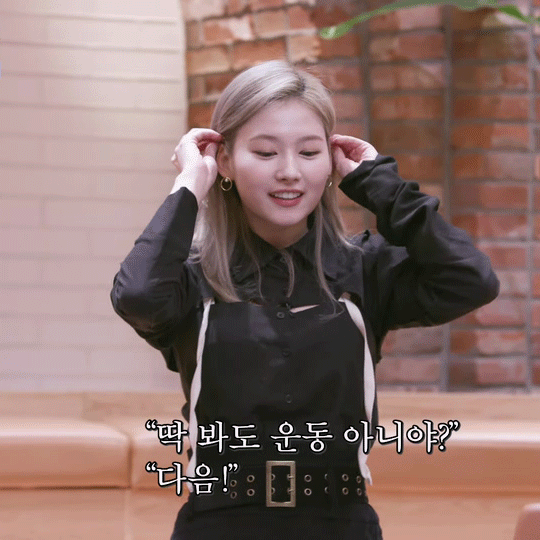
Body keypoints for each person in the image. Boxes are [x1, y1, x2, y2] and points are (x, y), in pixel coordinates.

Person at [110, 60, 499, 539]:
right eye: (266, 152)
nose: (290, 172)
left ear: (330, 162)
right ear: (225, 161)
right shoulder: (190, 278)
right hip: (219, 523)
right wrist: (190, 184)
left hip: (342, 522)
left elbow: (471, 279)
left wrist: (379, 184)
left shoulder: (365, 269)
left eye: (310, 152)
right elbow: (138, 295)